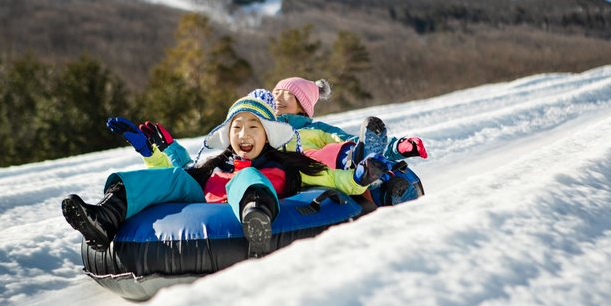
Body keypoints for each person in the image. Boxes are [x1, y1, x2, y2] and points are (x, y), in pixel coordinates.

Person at [62, 89, 394, 256]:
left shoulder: (286, 166)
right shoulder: (216, 164)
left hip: (249, 211)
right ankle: (105, 218)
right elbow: (176, 174)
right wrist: (150, 151)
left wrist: (359, 178)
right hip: (205, 202)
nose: (243, 134)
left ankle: (256, 218)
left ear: (268, 134)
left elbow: (330, 178)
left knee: (246, 177)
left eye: (254, 127)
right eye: (237, 127)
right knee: (178, 178)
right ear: (228, 133)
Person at [272, 76, 429, 168]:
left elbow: (354, 142)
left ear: (302, 105)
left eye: (287, 95)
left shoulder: (316, 129)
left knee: (334, 151)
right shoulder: (260, 126)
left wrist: (397, 147)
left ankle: (365, 165)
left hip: (309, 176)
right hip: (272, 178)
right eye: (276, 93)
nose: (278, 98)